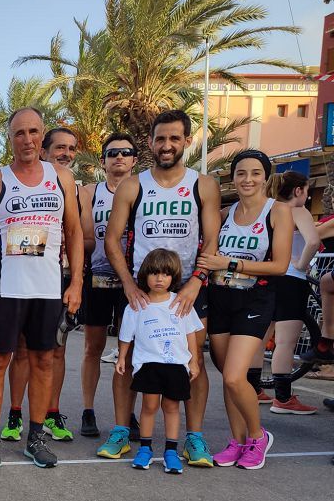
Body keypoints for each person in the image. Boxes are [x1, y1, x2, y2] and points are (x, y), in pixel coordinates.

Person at [0, 107, 84, 469]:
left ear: (42, 134)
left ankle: (36, 436)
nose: (28, 139)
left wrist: (76, 282)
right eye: (20, 133)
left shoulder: (61, 177)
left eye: (34, 131)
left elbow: (75, 233)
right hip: (5, 288)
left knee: (43, 361)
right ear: (10, 138)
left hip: (48, 290)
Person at [105, 108, 221, 467]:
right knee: (129, 359)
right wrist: (128, 284)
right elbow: (112, 239)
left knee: (192, 360)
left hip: (187, 288)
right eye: (160, 139)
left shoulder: (203, 185)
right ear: (151, 143)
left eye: (174, 138)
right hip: (143, 290)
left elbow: (212, 242)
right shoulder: (133, 185)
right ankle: (123, 430)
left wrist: (195, 285)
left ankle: (194, 438)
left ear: (187, 141)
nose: (166, 145)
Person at [197, 150, 292, 469]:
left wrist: (231, 262)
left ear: (265, 176)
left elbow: (279, 265)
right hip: (221, 298)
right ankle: (237, 441)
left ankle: (257, 436)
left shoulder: (277, 211)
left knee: (237, 376)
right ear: (232, 177)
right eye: (241, 173)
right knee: (227, 377)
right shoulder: (224, 213)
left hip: (255, 299)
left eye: (254, 173)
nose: (247, 179)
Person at [1, 126, 82, 443]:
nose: (66, 153)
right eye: (60, 147)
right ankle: (15, 413)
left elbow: (77, 233)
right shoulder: (8, 180)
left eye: (71, 148)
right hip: (18, 280)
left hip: (54, 279)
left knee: (52, 354)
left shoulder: (67, 183)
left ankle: (51, 413)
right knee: (20, 352)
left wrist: (76, 281)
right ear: (44, 150)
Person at [115, 248, 203, 474]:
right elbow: (126, 334)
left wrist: (193, 361)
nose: (159, 278)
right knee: (149, 405)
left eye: (165, 274)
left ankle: (171, 452)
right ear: (145, 275)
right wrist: (122, 357)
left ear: (173, 277)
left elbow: (191, 332)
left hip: (176, 365)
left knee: (172, 407)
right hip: (148, 364)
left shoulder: (181, 302)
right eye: (154, 273)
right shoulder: (137, 303)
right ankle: (145, 449)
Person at [80, 134, 138, 440]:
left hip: (133, 282)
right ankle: (88, 409)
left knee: (128, 351)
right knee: (93, 347)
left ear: (134, 160)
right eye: (112, 153)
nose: (119, 157)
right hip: (98, 277)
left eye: (125, 153)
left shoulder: (142, 191)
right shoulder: (90, 192)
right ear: (102, 160)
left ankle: (126, 412)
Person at [268, 170, 322, 414]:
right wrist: (301, 265)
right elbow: (312, 241)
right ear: (298, 190)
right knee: (285, 342)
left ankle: (254, 389)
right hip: (292, 278)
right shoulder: (298, 211)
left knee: (262, 337)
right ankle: (283, 398)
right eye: (307, 190)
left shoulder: (270, 209)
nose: (307, 196)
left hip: (269, 277)